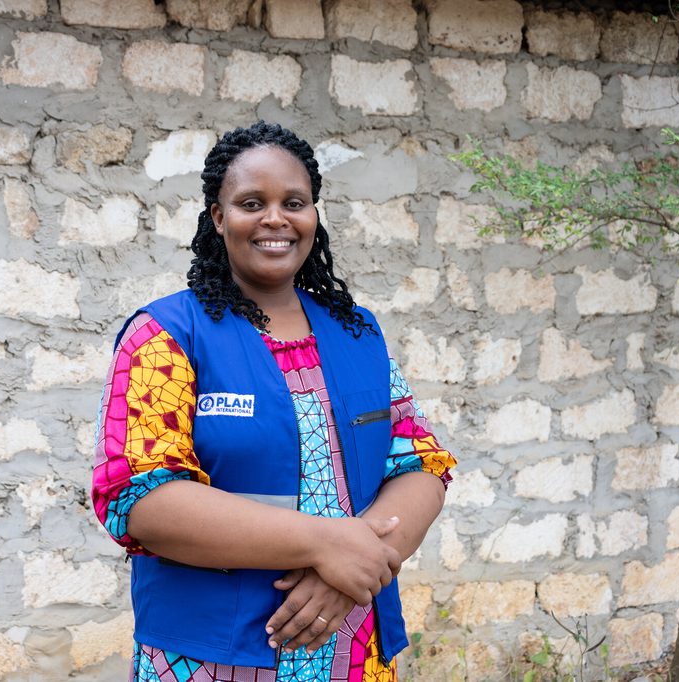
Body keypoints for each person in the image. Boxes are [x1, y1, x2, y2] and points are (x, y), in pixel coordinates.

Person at [92, 121, 456, 681]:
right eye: (250, 202)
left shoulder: (358, 335)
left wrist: (354, 571)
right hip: (211, 654)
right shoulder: (166, 335)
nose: (275, 219)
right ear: (218, 217)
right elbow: (138, 497)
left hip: (351, 644)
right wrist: (327, 547)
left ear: (314, 214)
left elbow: (421, 464)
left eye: (295, 202)